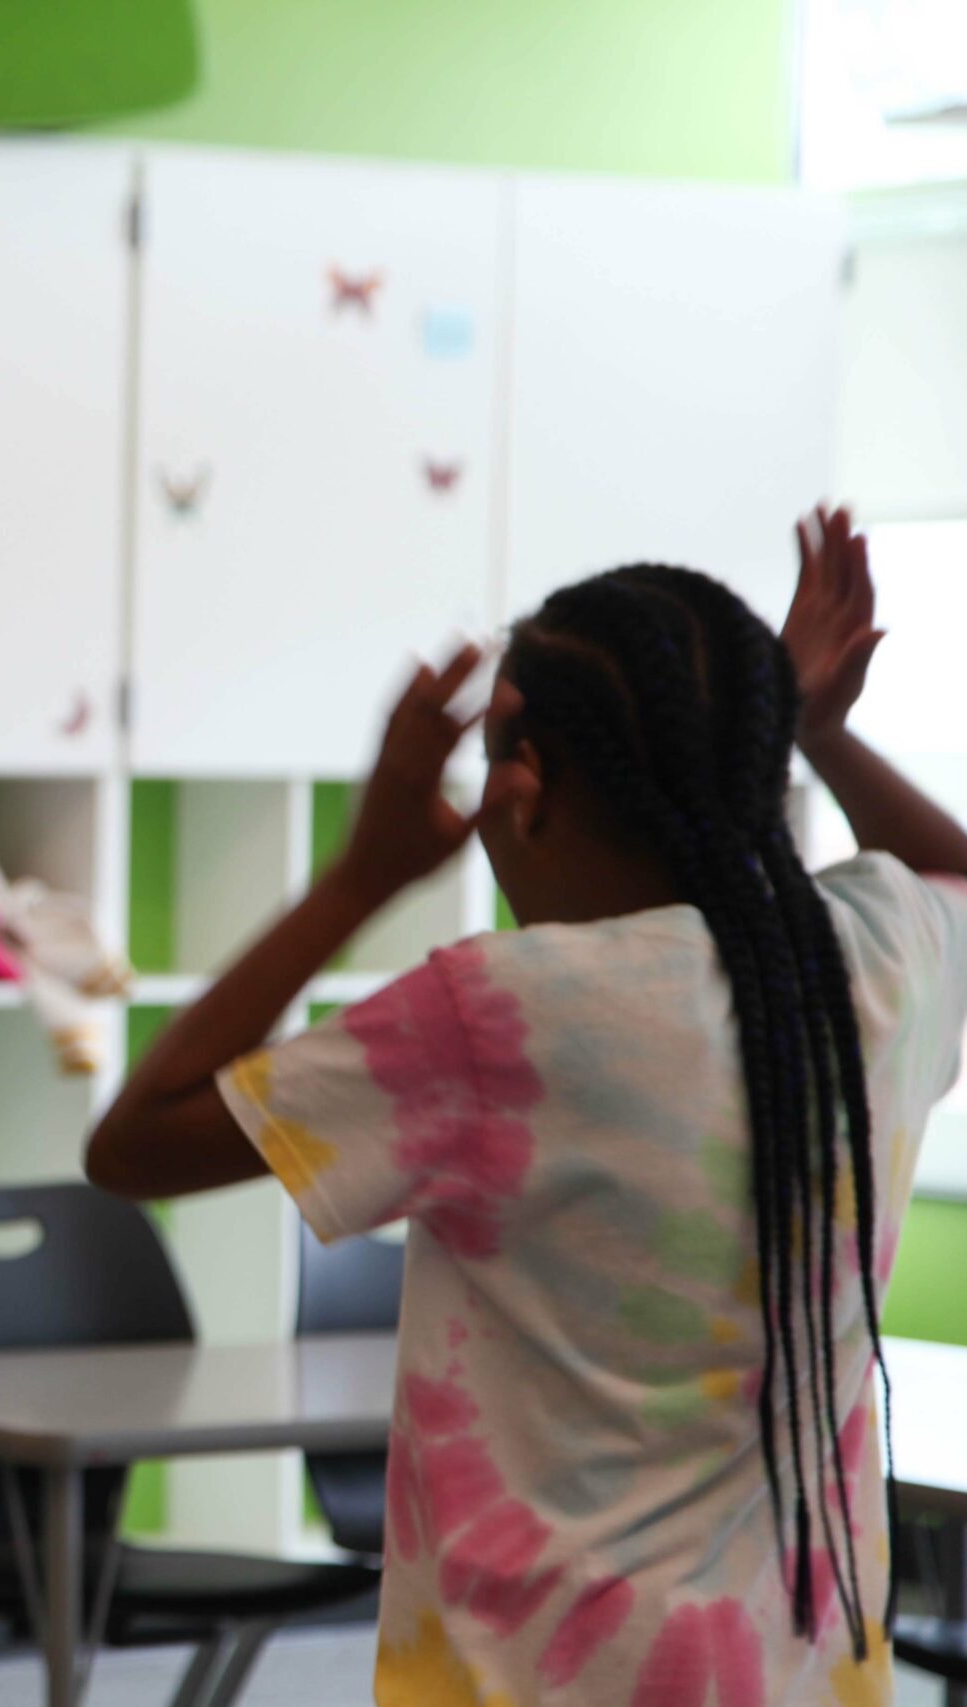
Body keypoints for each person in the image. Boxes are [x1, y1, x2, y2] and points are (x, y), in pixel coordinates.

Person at [85, 507, 967, 1703]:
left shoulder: (500, 1016)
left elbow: (135, 1142)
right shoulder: (870, 962)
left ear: (524, 783)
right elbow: (952, 873)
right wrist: (816, 738)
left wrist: (362, 875)